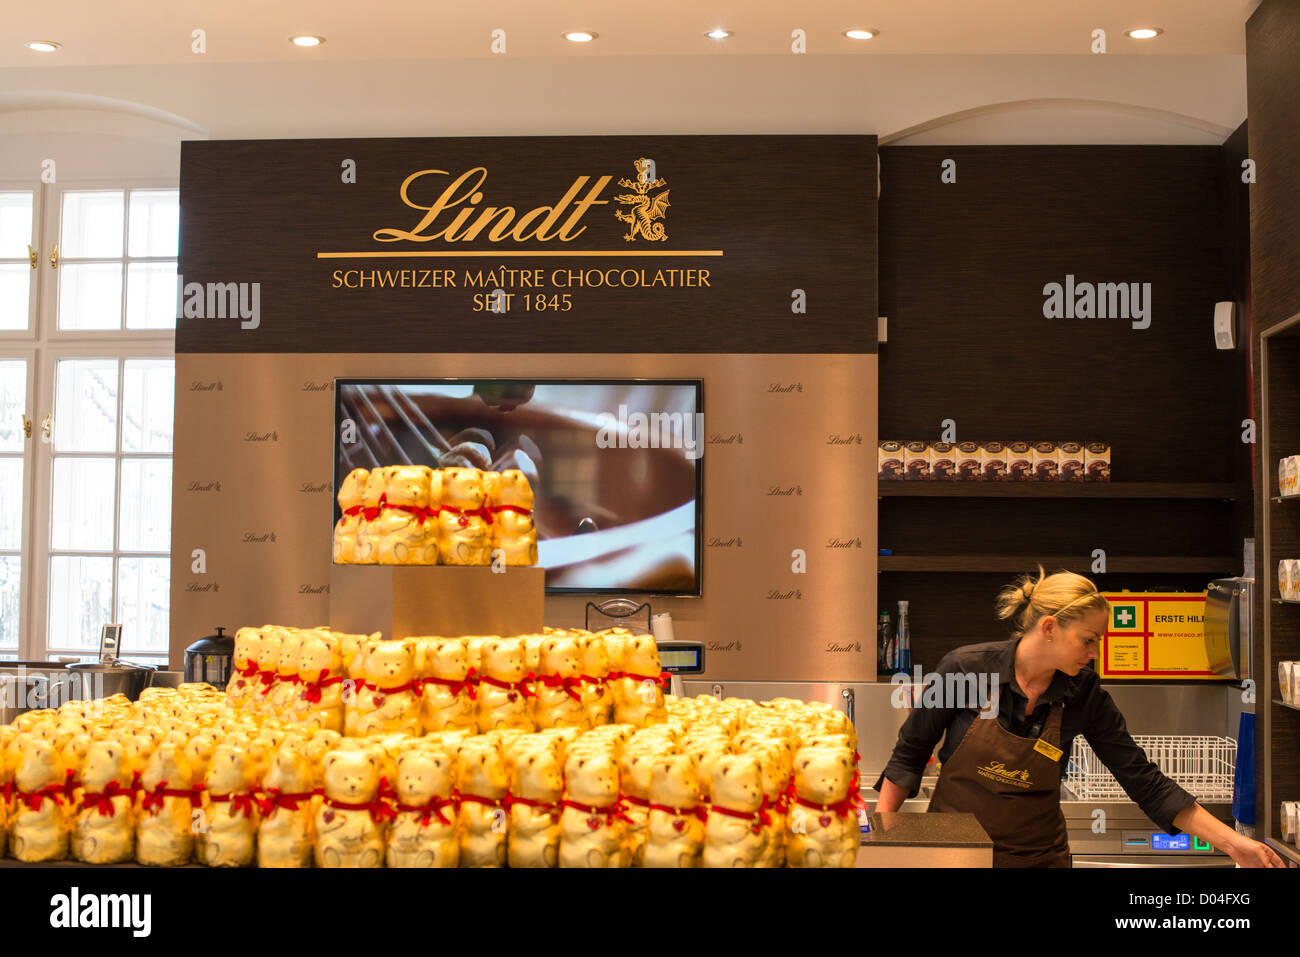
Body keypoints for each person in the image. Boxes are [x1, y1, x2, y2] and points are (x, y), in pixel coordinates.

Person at [873, 566, 1282, 867]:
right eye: (1088, 640)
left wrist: (1232, 844)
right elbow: (907, 759)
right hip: (954, 859)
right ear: (1049, 627)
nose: (1094, 653)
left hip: (1040, 860)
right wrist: (883, 854)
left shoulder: (1083, 693)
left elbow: (1145, 782)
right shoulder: (965, 670)